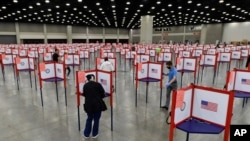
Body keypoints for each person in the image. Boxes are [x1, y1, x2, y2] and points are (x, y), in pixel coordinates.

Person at [82, 74, 106, 139]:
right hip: (97, 105)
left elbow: (84, 94)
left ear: (88, 79)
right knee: (96, 120)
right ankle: (94, 134)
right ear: (94, 78)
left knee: (89, 119)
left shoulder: (85, 85)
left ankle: (86, 134)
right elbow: (103, 95)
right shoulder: (98, 85)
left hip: (88, 105)